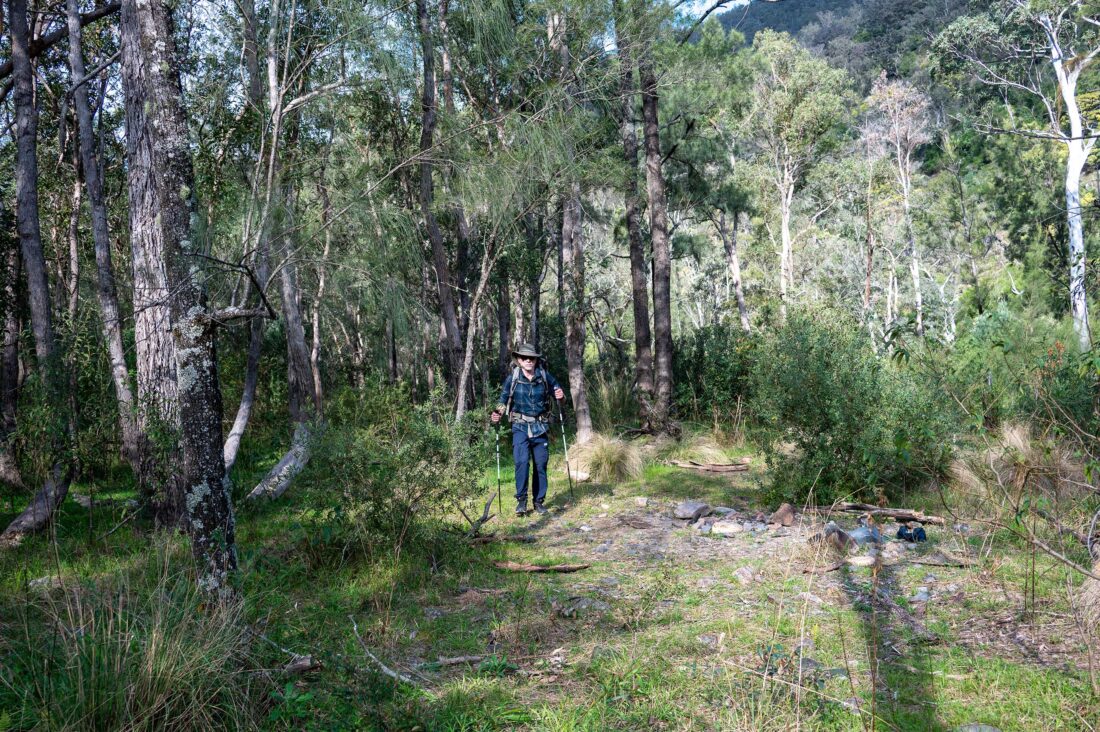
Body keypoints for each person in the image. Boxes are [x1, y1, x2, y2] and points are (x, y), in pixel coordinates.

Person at [491, 344, 565, 516]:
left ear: (536, 360)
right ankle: (521, 502)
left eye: (531, 358)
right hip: (519, 427)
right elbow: (503, 399)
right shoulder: (513, 378)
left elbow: (559, 396)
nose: (528, 360)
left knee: (541, 465)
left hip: (540, 427)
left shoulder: (544, 376)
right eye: (524, 358)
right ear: (519, 360)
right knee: (522, 462)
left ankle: (538, 502)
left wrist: (561, 397)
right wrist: (497, 413)